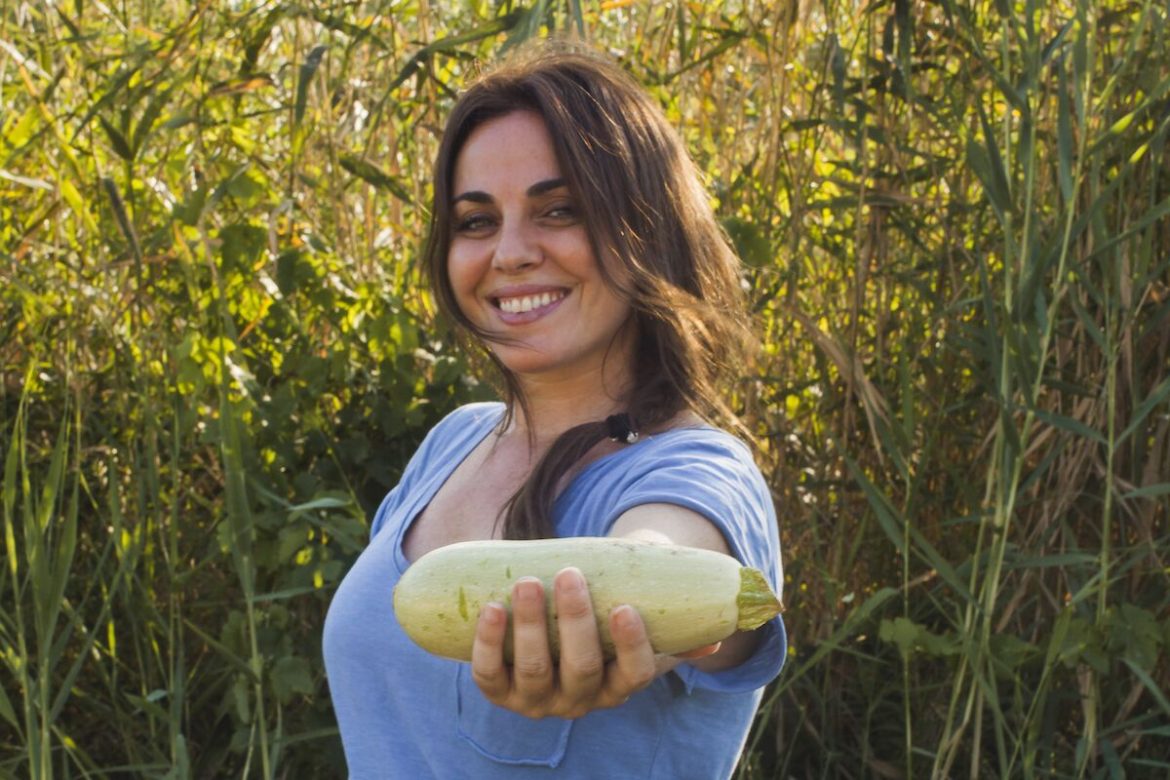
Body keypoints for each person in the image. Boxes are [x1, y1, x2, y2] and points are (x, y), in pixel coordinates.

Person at [323, 42, 786, 779]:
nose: (509, 252)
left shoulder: (700, 470)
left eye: (559, 209)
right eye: (475, 221)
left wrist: (621, 631)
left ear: (646, 226)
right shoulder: (453, 443)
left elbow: (673, 565)